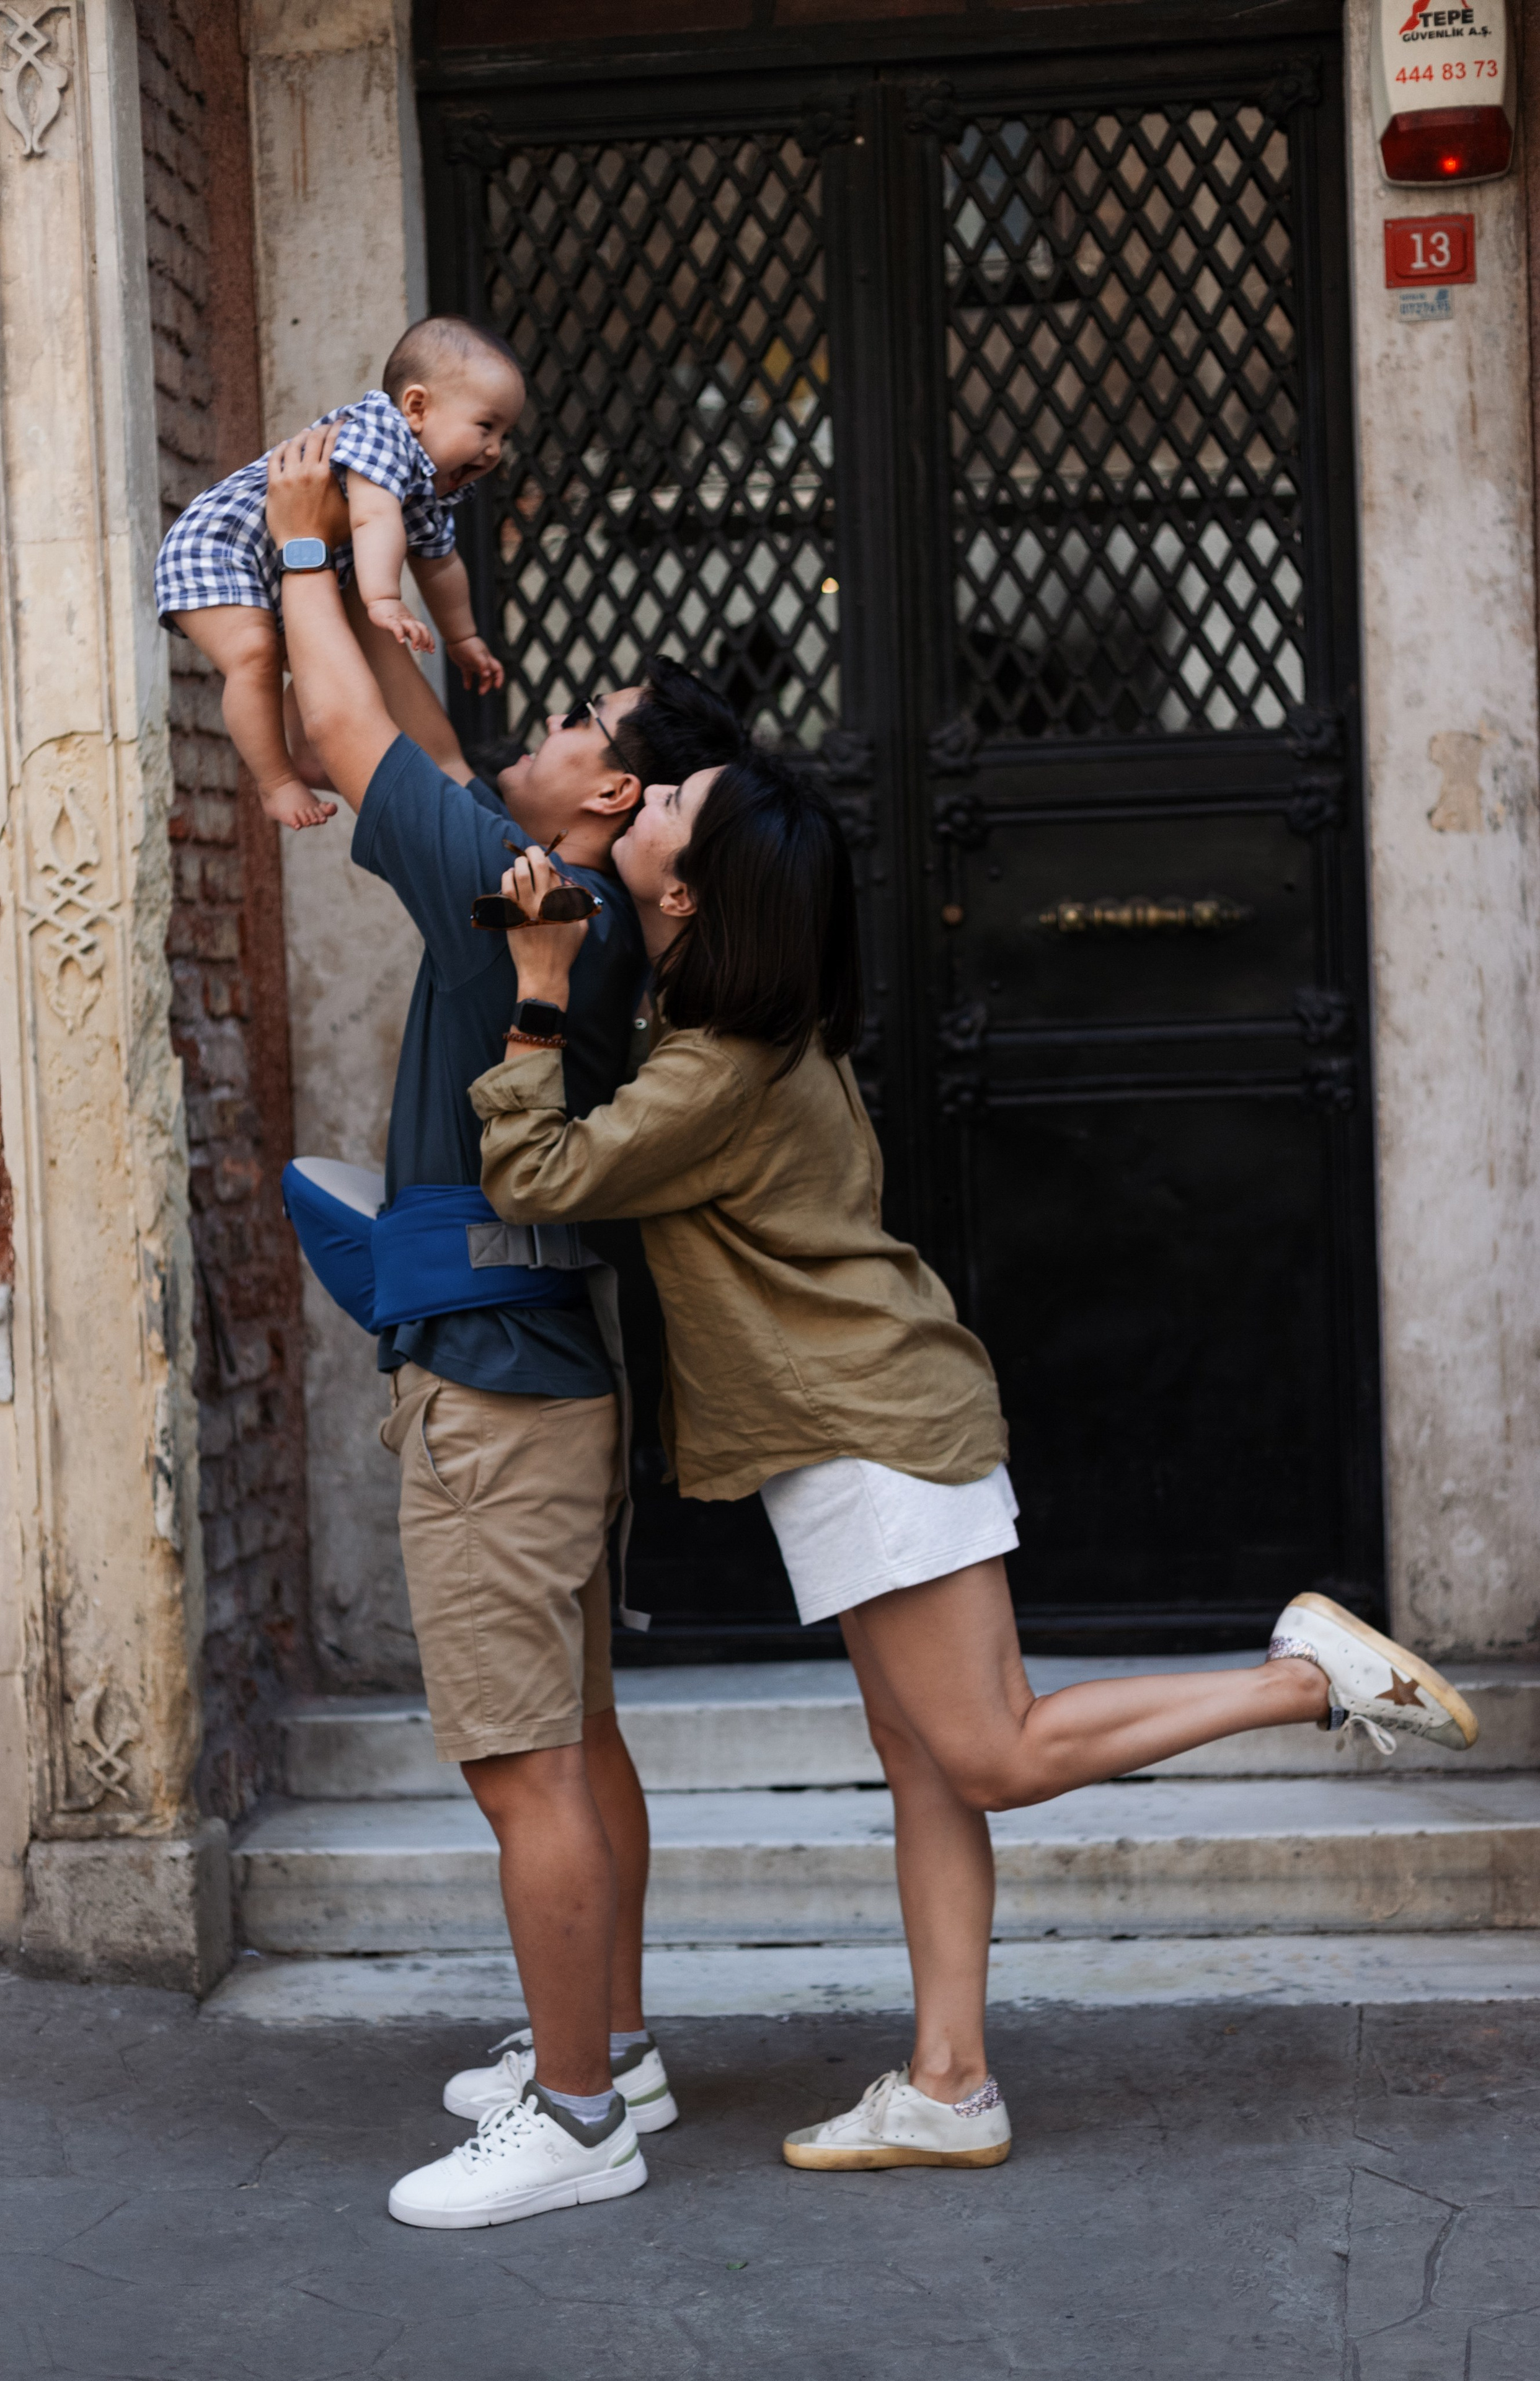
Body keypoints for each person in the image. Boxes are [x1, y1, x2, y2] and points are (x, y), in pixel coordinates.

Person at [470, 742, 1480, 2177]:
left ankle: (1301, 1674)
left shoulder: (714, 1064)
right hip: (859, 1430)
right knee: (925, 1765)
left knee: (989, 1750)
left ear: (691, 892)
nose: (644, 799)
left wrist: (534, 993)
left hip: (871, 1429)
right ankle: (948, 2085)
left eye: (674, 803)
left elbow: (540, 1175)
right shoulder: (734, 1033)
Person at [263, 423, 745, 2230]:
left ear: (611, 800)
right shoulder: (572, 909)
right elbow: (438, 743)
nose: (538, 733)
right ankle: (608, 2046)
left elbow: (347, 733)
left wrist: (312, 546)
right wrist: (396, 590)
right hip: (550, 1378)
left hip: (490, 1398)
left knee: (520, 1757)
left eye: (578, 731)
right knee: (580, 1733)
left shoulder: (508, 890)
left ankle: (570, 2116)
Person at [157, 315, 518, 829]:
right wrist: (383, 599)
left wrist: (463, 638)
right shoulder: (381, 434)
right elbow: (374, 517)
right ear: (416, 407)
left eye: (504, 434)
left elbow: (441, 565)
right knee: (254, 654)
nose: (495, 450)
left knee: (317, 659)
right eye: (486, 426)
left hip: (277, 567)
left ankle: (309, 751)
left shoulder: (429, 484)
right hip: (218, 551)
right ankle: (276, 781)